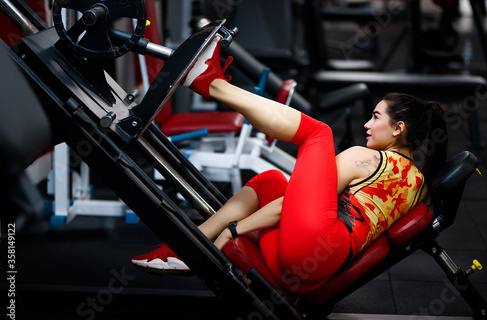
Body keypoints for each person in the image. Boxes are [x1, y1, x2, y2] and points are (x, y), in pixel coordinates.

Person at [132, 35, 448, 295]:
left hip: (313, 248)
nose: (367, 124)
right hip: (312, 272)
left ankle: (209, 82)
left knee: (318, 132)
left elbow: (291, 207)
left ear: (398, 129)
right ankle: (186, 248)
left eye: (376, 117)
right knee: (269, 180)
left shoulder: (365, 158)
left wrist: (235, 229)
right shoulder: (418, 183)